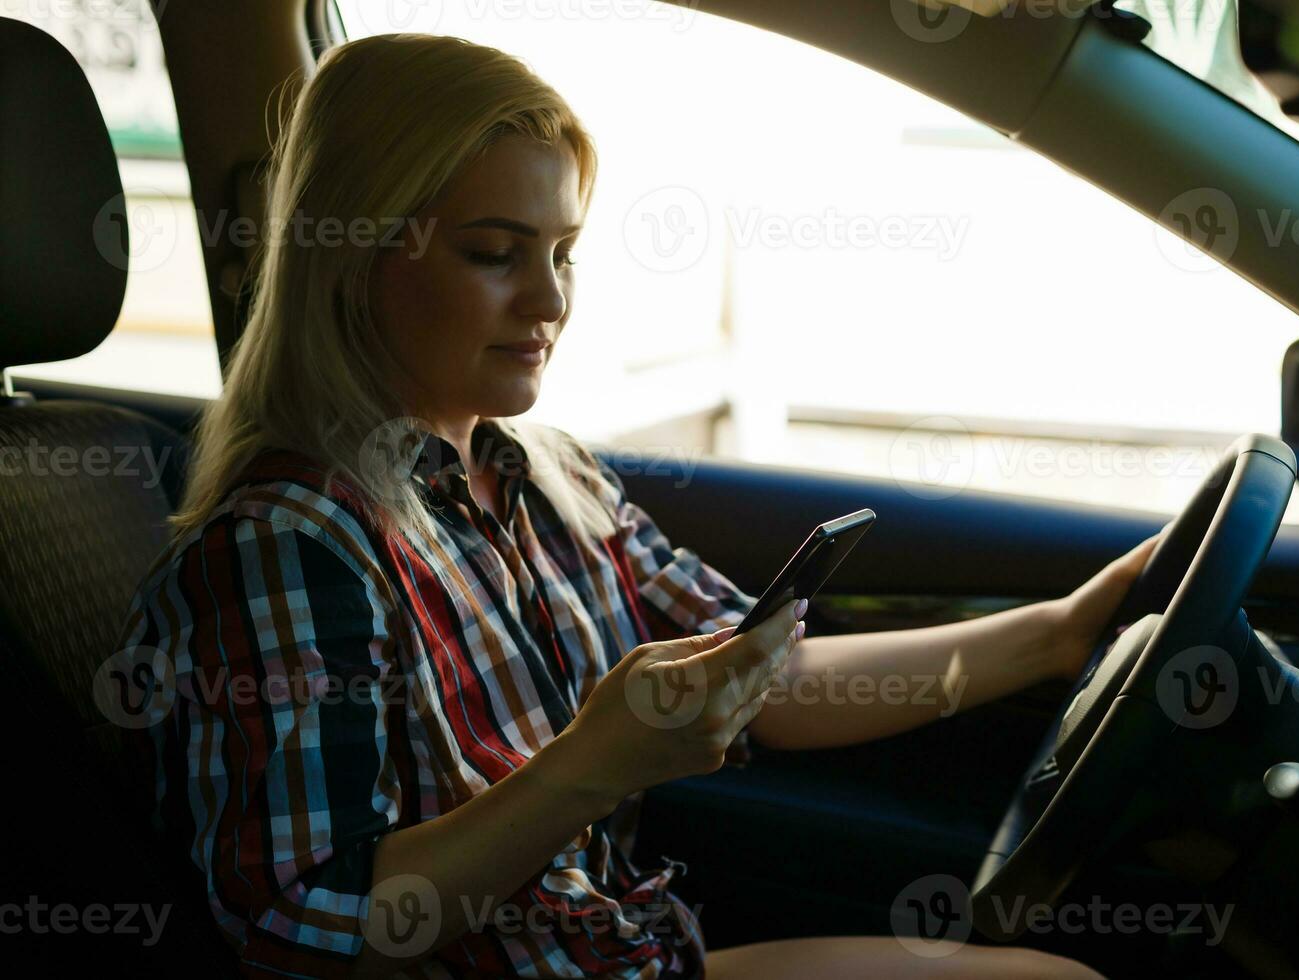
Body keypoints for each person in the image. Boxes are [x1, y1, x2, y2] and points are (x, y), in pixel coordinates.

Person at [111, 32, 1154, 979]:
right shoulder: (288, 546)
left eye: (562, 253)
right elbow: (303, 921)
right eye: (494, 253)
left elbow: (768, 676)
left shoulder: (546, 477)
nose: (551, 301)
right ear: (356, 252)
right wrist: (588, 765)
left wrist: (1062, 634)